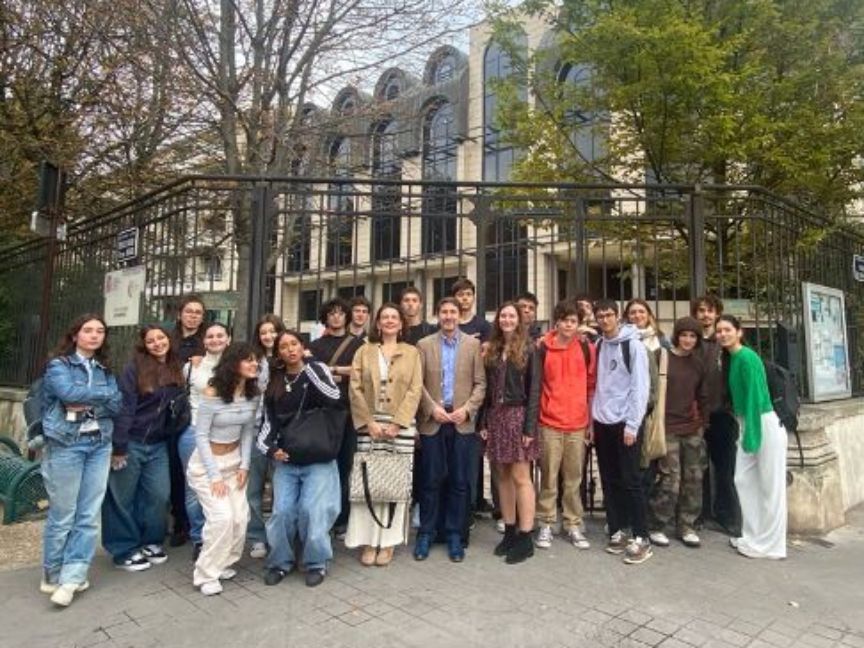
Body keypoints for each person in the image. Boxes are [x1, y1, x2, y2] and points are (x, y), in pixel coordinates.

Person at [39, 314, 123, 607]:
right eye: (88, 330)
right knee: (63, 514)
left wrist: (91, 398)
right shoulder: (58, 365)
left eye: (100, 331)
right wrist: (102, 396)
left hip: (99, 443)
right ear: (75, 335)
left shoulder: (105, 368)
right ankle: (53, 573)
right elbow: (67, 392)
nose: (94, 336)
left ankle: (74, 575)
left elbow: (118, 402)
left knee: (88, 514)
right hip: (66, 444)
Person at [258, 330, 343, 587]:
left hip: (318, 456)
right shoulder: (275, 381)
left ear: (302, 346)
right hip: (288, 459)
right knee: (282, 512)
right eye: (283, 347)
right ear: (278, 353)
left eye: (294, 344)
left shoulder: (316, 370)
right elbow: (267, 424)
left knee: (312, 511)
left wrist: (308, 370)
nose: (290, 350)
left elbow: (335, 397)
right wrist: (272, 450)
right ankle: (280, 562)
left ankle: (315, 562)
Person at [103, 325, 185, 572]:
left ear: (169, 340)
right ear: (144, 345)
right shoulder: (134, 368)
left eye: (161, 338)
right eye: (151, 341)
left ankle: (150, 541)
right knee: (122, 498)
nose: (157, 343)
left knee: (158, 495)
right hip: (132, 441)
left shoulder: (176, 367)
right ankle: (123, 549)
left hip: (158, 444)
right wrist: (119, 446)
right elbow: (125, 407)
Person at [347, 303, 423, 566]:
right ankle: (368, 540)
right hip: (370, 424)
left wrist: (399, 423)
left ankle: (388, 542)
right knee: (369, 480)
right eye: (385, 318)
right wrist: (367, 421)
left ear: (401, 324)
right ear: (377, 323)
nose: (389, 321)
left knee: (395, 481)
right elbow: (354, 388)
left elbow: (415, 389)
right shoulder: (364, 351)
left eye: (394, 317)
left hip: (398, 426)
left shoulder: (412, 353)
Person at [414, 297, 486, 563]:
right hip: (433, 421)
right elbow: (417, 383)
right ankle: (427, 532)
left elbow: (480, 384)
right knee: (431, 480)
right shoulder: (423, 345)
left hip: (461, 422)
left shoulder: (472, 344)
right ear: (437, 315)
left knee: (459, 481)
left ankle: (456, 533)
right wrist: (431, 408)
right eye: (443, 312)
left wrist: (467, 409)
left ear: (460, 314)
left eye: (452, 312)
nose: (448, 316)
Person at [186, 342, 260, 595]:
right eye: (248, 360)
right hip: (207, 467)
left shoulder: (252, 394)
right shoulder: (212, 392)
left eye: (256, 360)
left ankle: (223, 563)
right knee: (222, 519)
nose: (255, 364)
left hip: (235, 462)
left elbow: (248, 432)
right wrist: (214, 475)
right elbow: (201, 436)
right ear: (233, 363)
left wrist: (245, 465)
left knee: (241, 518)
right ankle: (205, 574)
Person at [715, 315, 787, 559]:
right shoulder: (733, 358)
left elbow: (756, 398)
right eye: (719, 331)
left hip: (762, 423)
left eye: (727, 329)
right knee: (744, 480)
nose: (722, 334)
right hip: (748, 424)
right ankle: (753, 536)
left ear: (739, 332)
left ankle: (773, 546)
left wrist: (751, 436)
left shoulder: (747, 358)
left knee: (770, 487)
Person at [591, 299, 652, 564]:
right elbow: (598, 385)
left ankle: (641, 536)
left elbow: (640, 387)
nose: (604, 320)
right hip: (602, 421)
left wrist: (632, 424)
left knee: (631, 480)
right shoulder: (599, 344)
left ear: (618, 316)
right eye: (600, 316)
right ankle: (617, 529)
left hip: (625, 423)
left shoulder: (634, 346)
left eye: (608, 315)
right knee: (609, 478)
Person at [478, 302, 540, 564]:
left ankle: (526, 537)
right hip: (496, 417)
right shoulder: (492, 350)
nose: (506, 319)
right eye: (502, 315)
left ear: (519, 319)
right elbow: (487, 390)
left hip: (517, 416)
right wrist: (483, 421)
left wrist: (529, 427)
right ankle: (510, 530)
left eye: (511, 315)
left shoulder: (529, 348)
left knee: (520, 476)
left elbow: (535, 389)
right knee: (501, 475)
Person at [535, 300, 596, 552]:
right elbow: (536, 384)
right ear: (557, 321)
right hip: (549, 421)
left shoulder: (586, 348)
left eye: (574, 321)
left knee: (574, 478)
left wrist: (590, 421)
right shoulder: (543, 348)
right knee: (548, 477)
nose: (569, 325)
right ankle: (546, 522)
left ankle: (572, 523)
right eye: (565, 320)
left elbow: (591, 385)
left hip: (577, 422)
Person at [647, 317, 709, 548]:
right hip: (667, 427)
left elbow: (703, 396)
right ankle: (658, 523)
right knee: (670, 478)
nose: (688, 340)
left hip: (691, 428)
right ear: (677, 335)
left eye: (693, 336)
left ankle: (687, 525)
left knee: (693, 478)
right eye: (684, 335)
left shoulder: (698, 363)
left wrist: (702, 423)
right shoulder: (662, 357)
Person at [308, 299, 364, 537]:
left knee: (346, 466)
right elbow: (310, 373)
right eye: (331, 313)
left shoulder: (359, 344)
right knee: (323, 464)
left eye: (341, 313)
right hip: (322, 413)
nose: (336, 317)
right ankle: (323, 516)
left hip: (349, 412)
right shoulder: (315, 345)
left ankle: (342, 518)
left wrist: (332, 372)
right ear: (325, 317)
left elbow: (362, 372)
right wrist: (344, 372)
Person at [177, 322, 232, 560]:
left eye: (220, 335)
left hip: (227, 434)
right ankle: (200, 538)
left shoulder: (236, 366)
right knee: (194, 489)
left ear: (228, 339)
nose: (215, 339)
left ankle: (221, 535)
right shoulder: (192, 367)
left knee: (224, 487)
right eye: (210, 336)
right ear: (204, 341)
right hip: (194, 431)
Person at [692, 294, 741, 535]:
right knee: (697, 469)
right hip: (697, 415)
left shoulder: (725, 343)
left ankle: (727, 515)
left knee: (725, 469)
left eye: (710, 311)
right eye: (701, 311)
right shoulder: (690, 340)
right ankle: (699, 513)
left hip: (722, 414)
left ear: (717, 313)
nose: (705, 315)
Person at [451, 277, 494, 518]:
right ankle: (464, 502)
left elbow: (485, 357)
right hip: (453, 395)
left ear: (473, 297)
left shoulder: (484, 326)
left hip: (477, 394)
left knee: (476, 449)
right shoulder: (451, 324)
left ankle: (476, 499)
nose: (464, 298)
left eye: (468, 294)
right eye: (460, 294)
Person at [168, 294, 208, 547]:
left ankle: (199, 526)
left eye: (198, 312)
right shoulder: (168, 339)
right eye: (189, 311)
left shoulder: (206, 342)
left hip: (195, 413)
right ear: (180, 313)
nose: (193, 315)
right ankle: (179, 522)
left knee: (196, 473)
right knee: (174, 471)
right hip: (169, 407)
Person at [246, 314, 285, 559]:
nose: (268, 336)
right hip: (254, 429)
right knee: (254, 489)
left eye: (272, 331)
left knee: (282, 488)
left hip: (281, 432)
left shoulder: (289, 358)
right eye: (263, 332)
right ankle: (257, 537)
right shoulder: (251, 361)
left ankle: (279, 536)